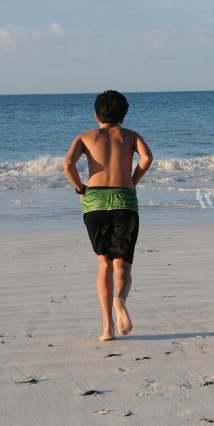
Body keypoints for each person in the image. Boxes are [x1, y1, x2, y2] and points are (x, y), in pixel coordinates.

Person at [63, 90, 153, 341]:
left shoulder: (85, 137)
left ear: (95, 115)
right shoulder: (131, 136)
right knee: (122, 265)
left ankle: (107, 329)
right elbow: (147, 158)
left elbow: (67, 164)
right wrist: (132, 180)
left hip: (94, 202)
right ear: (123, 116)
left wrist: (80, 188)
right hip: (124, 199)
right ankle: (120, 299)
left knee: (103, 263)